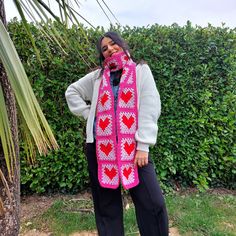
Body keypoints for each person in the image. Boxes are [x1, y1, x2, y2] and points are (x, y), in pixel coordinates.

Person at [65, 31, 169, 236]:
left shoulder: (140, 70)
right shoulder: (97, 77)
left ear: (122, 44)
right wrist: (90, 115)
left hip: (133, 147)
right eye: (104, 48)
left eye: (113, 44)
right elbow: (72, 91)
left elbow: (150, 106)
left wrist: (143, 145)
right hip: (100, 148)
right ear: (102, 55)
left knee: (152, 201)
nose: (110, 49)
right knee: (106, 205)